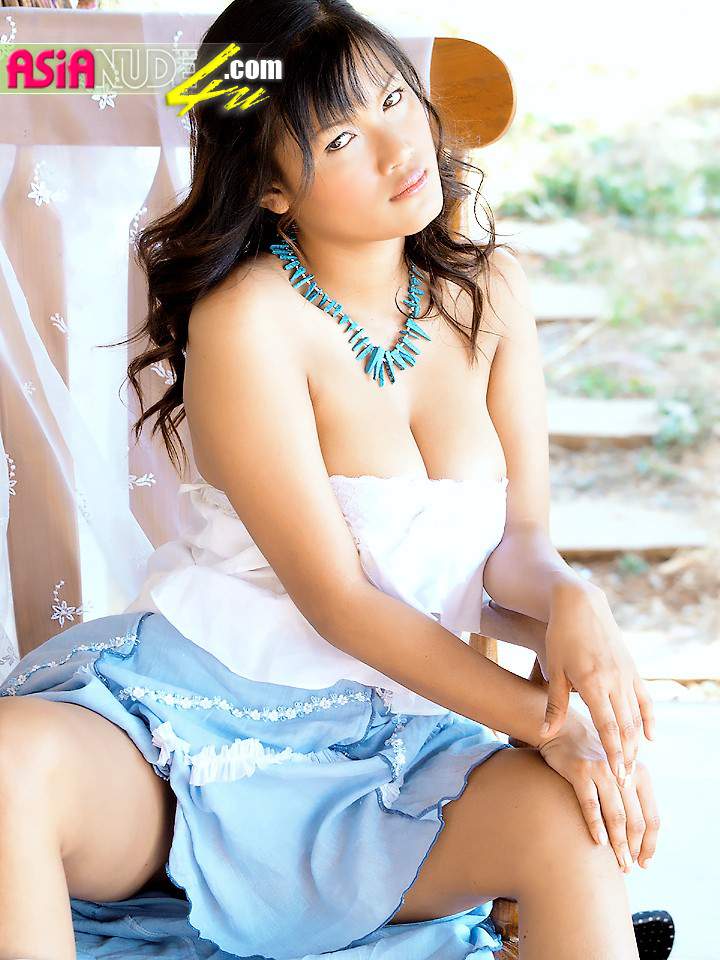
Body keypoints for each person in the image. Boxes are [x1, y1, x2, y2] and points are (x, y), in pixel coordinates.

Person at [0, 2, 673, 959]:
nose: (401, 148)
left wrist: (573, 603)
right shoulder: (248, 321)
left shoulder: (491, 291)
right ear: (272, 187)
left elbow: (516, 546)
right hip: (199, 728)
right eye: (343, 137)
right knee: (10, 768)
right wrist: (546, 720)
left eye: (395, 98)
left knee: (576, 827)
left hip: (400, 748)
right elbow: (339, 601)